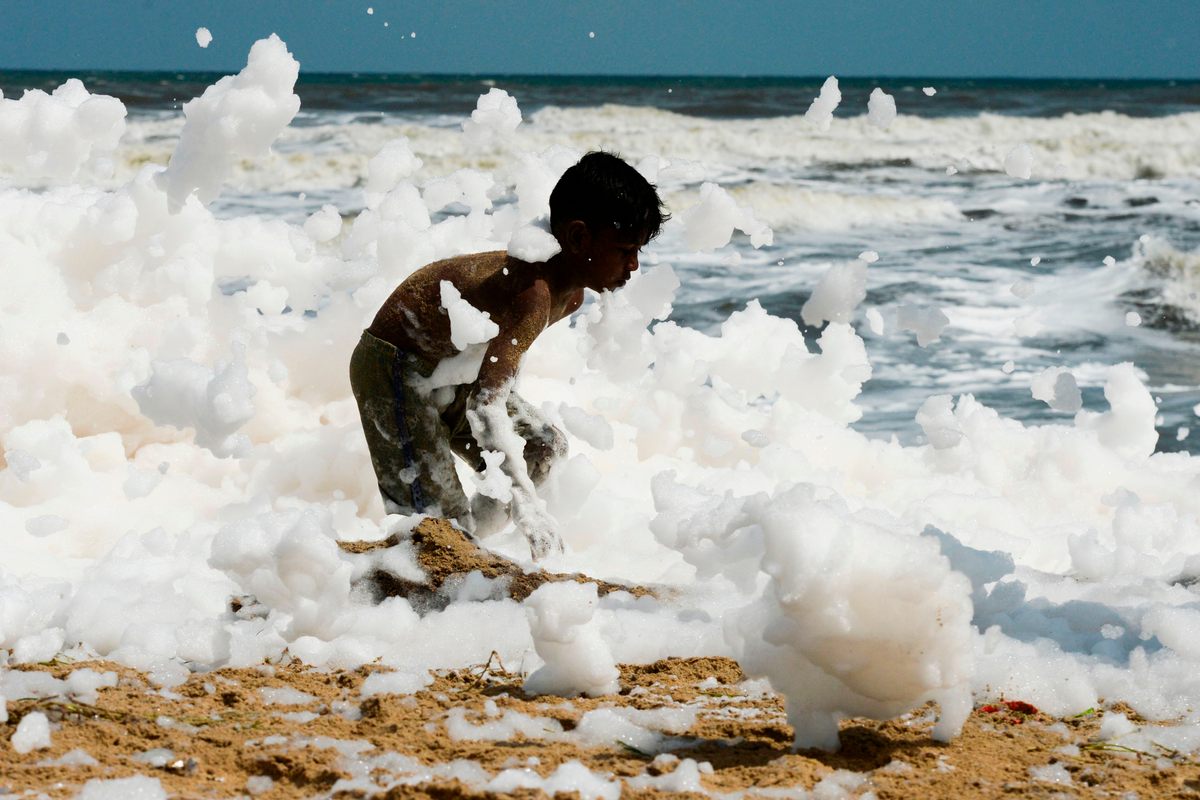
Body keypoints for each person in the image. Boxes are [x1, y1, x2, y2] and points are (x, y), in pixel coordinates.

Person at [350, 151, 668, 560]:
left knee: (542, 447)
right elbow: (487, 404)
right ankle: (445, 550)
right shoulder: (534, 293)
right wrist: (528, 510)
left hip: (450, 372)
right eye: (625, 249)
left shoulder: (571, 297)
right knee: (433, 532)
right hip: (393, 367)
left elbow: (497, 373)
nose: (634, 265)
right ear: (578, 238)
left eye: (638, 250)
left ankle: (472, 545)